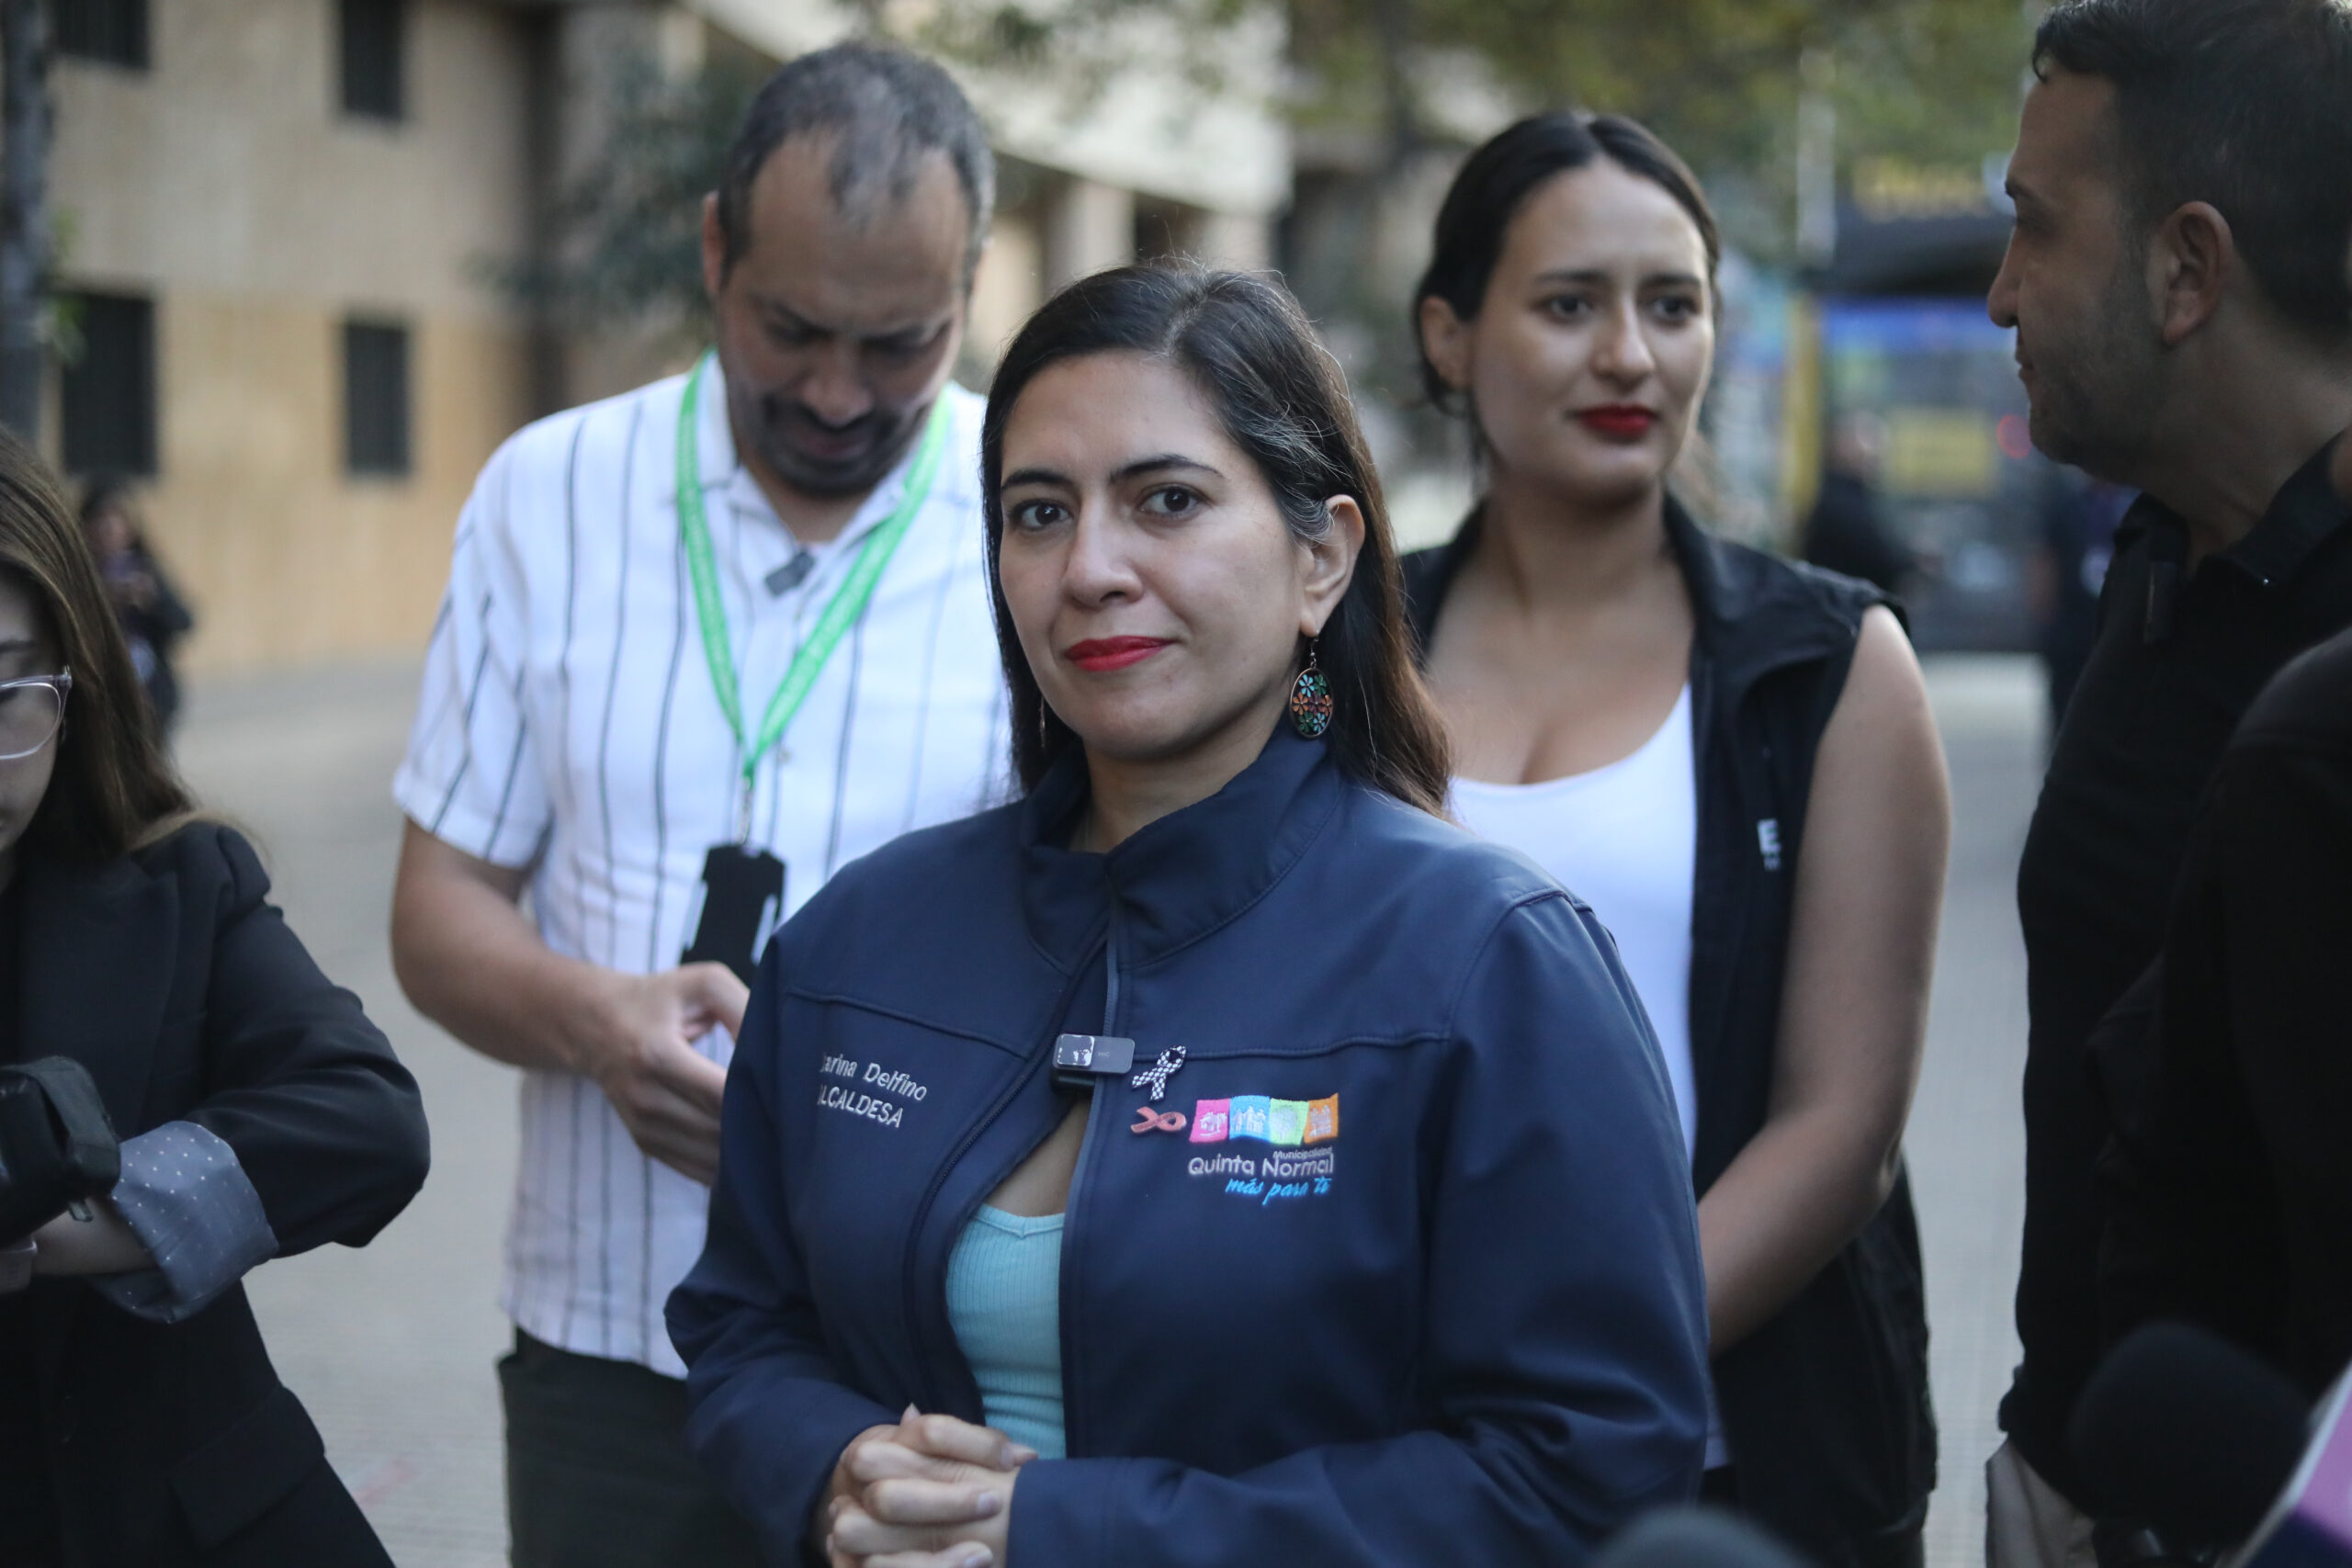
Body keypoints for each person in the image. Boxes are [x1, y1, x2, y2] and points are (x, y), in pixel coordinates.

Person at [668, 264, 1713, 1567]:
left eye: (1167, 500)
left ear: (1321, 555)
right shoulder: (859, 938)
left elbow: (1595, 1457)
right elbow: (742, 1325)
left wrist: (1067, 1528)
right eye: (1038, 512)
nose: (1092, 568)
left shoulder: (1491, 960)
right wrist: (837, 1466)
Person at [389, 42, 1011, 1568]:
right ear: (716, 246)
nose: (836, 392)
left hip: (929, 1357)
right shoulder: (547, 494)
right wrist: (600, 1017)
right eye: (792, 329)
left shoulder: (1044, 509)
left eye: (901, 344)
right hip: (607, 1346)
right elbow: (437, 908)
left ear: (970, 285)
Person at [1397, 113, 1951, 1568]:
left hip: (1735, 1452)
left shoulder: (1829, 663)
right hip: (1380, 1435)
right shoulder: (1336, 654)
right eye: (1570, 303)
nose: (1631, 356)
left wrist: (1581, 1356)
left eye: (1674, 304)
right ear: (1449, 335)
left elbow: (1844, 1124)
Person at [1981, 2, 2352, 1562]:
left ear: (2188, 270)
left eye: (2035, 231)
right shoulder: (2150, 560)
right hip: (2072, 1471)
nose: (2002, 294)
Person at [0, 431, 429, 1564]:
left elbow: (367, 1117)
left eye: (7, 692)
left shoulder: (179, 889)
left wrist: (61, 1225)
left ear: (75, 687)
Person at [78, 478, 195, 740]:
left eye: (116, 518)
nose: (108, 528)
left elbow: (184, 622)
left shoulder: (146, 570)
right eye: (100, 519)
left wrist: (151, 601)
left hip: (151, 697)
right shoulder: (79, 577)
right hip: (102, 698)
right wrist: (103, 603)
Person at [1803, 412, 1922, 595]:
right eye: (1867, 439)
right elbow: (1875, 552)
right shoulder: (1838, 500)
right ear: (1842, 444)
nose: (1874, 451)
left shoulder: (1857, 495)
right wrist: (1910, 563)